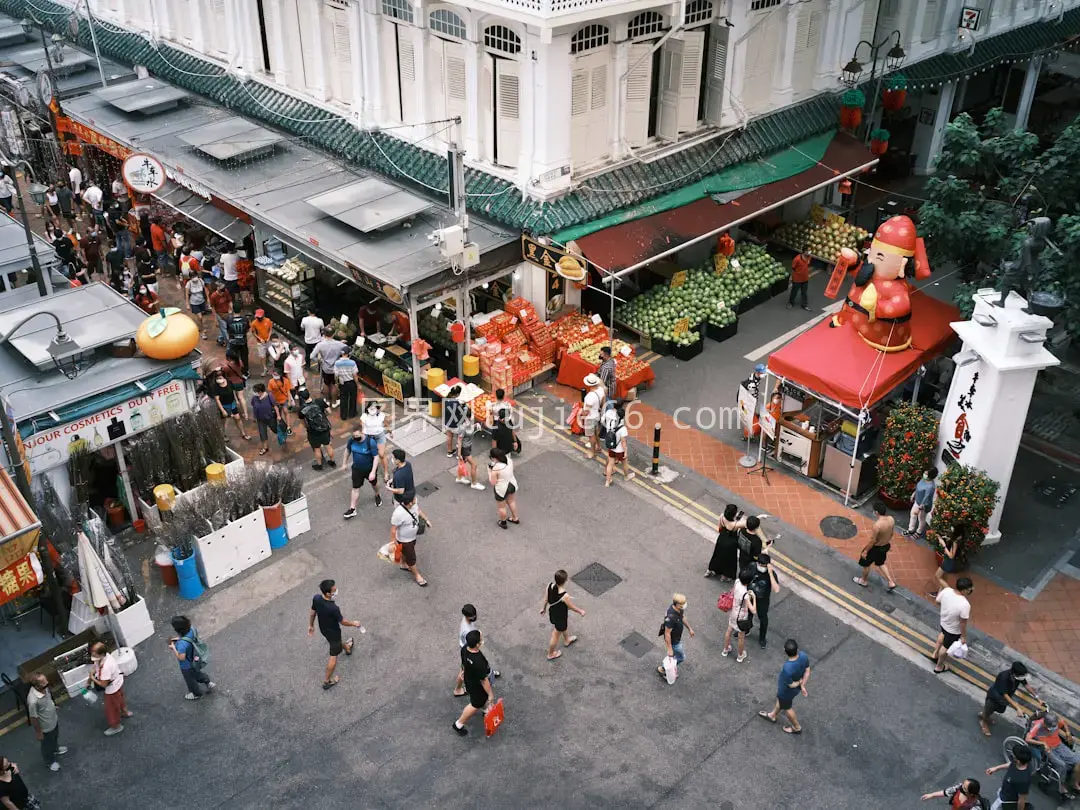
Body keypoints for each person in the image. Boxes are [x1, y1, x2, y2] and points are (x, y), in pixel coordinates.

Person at [308, 579, 364, 690]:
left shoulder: (317, 598)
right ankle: (327, 681)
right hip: (333, 632)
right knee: (333, 655)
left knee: (336, 642)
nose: (336, 590)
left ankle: (347, 648)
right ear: (328, 593)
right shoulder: (333, 608)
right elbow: (343, 622)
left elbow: (312, 612)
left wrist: (310, 625)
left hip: (324, 629)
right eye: (334, 590)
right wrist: (354, 623)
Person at [758, 638, 811, 735]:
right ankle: (773, 715)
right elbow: (807, 670)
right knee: (781, 701)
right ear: (797, 648)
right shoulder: (803, 656)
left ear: (784, 651)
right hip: (794, 690)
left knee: (787, 708)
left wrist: (799, 682)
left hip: (786, 691)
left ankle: (796, 727)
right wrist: (802, 685)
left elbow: (791, 685)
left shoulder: (787, 668)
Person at [1025, 712, 1080, 798]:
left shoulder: (1056, 722)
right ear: (1045, 723)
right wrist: (1042, 743)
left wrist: (1068, 732)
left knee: (1078, 761)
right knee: (1062, 765)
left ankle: (1074, 783)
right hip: (1047, 748)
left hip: (1059, 745)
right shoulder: (1037, 725)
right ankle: (1062, 787)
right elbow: (1027, 739)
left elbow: (1064, 723)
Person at [453, 630, 493, 736]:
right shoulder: (478, 661)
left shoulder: (464, 649)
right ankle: (459, 724)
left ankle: (485, 709)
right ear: (477, 644)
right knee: (475, 704)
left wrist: (463, 672)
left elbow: (463, 665)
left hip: (469, 681)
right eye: (480, 639)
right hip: (477, 686)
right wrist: (490, 695)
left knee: (481, 700)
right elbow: (484, 681)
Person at [979, 662, 1035, 738]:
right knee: (989, 709)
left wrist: (1037, 697)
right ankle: (984, 722)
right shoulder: (1003, 676)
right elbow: (1005, 695)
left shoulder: (1018, 676)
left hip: (1003, 700)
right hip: (994, 697)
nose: (1023, 677)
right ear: (1014, 674)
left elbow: (1026, 685)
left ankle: (984, 715)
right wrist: (1017, 707)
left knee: (999, 710)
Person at [88, 641, 133, 736]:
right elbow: (95, 666)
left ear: (101, 654)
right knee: (120, 698)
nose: (93, 656)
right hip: (118, 681)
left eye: (95, 655)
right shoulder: (106, 656)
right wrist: (89, 679)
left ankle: (115, 726)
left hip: (112, 688)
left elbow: (103, 684)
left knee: (111, 708)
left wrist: (92, 678)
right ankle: (124, 712)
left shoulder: (106, 668)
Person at [453, 605, 500, 696]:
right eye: (472, 616)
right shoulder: (466, 630)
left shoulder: (467, 620)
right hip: (467, 649)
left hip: (468, 647)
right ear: (467, 616)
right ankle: (458, 689)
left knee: (466, 667)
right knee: (464, 670)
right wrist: (479, 639)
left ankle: (487, 672)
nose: (474, 617)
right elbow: (471, 642)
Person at [931, 577, 974, 674]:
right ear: (964, 590)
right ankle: (939, 666)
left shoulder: (946, 590)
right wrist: (963, 636)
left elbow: (937, 602)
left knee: (942, 634)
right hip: (953, 630)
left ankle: (935, 653)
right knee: (945, 647)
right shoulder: (965, 604)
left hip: (944, 622)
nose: (971, 590)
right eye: (969, 589)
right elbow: (963, 623)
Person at [541, 569, 585, 661]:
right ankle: (550, 654)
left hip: (553, 612)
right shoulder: (565, 596)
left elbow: (546, 599)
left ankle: (567, 640)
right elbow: (571, 607)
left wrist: (543, 608)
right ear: (565, 581)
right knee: (555, 634)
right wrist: (580, 611)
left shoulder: (549, 585)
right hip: (560, 616)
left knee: (562, 627)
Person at [853, 501, 897, 591]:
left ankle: (863, 580)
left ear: (876, 512)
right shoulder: (891, 519)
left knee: (866, 564)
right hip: (885, 546)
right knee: (881, 563)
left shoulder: (877, 526)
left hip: (875, 548)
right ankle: (891, 582)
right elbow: (892, 533)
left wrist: (865, 551)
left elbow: (873, 541)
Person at [168, 616, 215, 700]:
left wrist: (173, 647)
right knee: (197, 673)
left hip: (186, 665)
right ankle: (208, 682)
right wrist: (178, 639)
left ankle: (196, 694)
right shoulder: (192, 629)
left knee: (190, 680)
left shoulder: (182, 645)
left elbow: (181, 657)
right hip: (195, 658)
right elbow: (189, 638)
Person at [27, 674, 67, 772]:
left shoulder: (44, 689)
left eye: (47, 683)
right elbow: (33, 718)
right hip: (45, 727)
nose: (47, 686)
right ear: (37, 687)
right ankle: (49, 761)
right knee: (46, 745)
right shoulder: (33, 701)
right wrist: (39, 732)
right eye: (44, 685)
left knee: (55, 737)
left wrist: (53, 707)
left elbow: (48, 700)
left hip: (53, 720)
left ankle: (55, 749)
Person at [391, 494, 429, 587]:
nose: (416, 499)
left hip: (412, 537)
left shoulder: (414, 505)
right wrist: (393, 542)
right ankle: (417, 575)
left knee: (405, 553)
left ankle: (403, 564)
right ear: (410, 503)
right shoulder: (398, 514)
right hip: (405, 540)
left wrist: (426, 519)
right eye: (414, 499)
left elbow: (418, 511)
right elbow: (393, 529)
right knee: (411, 558)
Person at [722, 568, 757, 663]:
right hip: (741, 616)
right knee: (741, 637)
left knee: (729, 630)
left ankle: (725, 650)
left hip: (733, 611)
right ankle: (740, 655)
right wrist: (753, 597)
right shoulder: (745, 594)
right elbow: (753, 610)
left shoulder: (737, 582)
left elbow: (733, 593)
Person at [343, 431, 381, 518]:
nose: (355, 437)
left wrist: (373, 472)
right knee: (355, 488)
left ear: (362, 433)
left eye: (357, 435)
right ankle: (352, 509)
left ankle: (377, 494)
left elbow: (376, 457)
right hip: (357, 469)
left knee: (374, 484)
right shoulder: (352, 440)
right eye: (354, 435)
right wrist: (344, 463)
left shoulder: (370, 442)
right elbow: (347, 450)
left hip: (369, 469)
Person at [297, 388, 336, 470]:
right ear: (309, 394)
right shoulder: (319, 401)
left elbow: (303, 422)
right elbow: (329, 411)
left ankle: (319, 465)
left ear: (302, 398)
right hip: (325, 429)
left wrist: (308, 428)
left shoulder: (301, 409)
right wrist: (323, 418)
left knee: (317, 449)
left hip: (313, 432)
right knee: (328, 445)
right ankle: (332, 462)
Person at [657, 593, 694, 678]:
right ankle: (664, 669)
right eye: (683, 604)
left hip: (677, 638)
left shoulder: (679, 609)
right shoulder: (671, 618)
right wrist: (669, 648)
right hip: (674, 642)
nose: (685, 605)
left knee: (674, 656)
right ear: (677, 604)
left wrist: (689, 628)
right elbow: (667, 633)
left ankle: (665, 667)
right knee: (681, 657)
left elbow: (682, 617)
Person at [985, 746, 1031, 810]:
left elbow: (1022, 799)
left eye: (1013, 756)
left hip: (1006, 800)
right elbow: (1010, 764)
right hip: (1004, 791)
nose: (1011, 756)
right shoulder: (1021, 763)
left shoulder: (1023, 780)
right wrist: (996, 768)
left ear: (1018, 761)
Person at [750, 553, 781, 648]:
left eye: (762, 565)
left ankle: (762, 638)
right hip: (751, 596)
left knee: (763, 619)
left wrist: (771, 573)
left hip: (763, 600)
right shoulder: (753, 566)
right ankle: (746, 629)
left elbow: (776, 589)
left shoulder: (770, 574)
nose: (759, 566)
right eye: (758, 564)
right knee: (748, 614)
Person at [311, 329, 348, 406]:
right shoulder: (339, 344)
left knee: (326, 383)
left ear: (324, 335)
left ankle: (327, 401)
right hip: (335, 369)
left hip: (326, 368)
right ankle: (334, 402)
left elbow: (312, 356)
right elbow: (348, 350)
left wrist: (320, 360)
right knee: (334, 385)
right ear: (333, 334)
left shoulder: (320, 345)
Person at [212, 373, 251, 441]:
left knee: (237, 418)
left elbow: (233, 391)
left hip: (232, 404)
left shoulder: (229, 382)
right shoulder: (215, 387)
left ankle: (243, 433)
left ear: (224, 378)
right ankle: (223, 435)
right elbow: (217, 400)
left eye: (220, 378)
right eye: (217, 378)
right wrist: (223, 410)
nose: (219, 380)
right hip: (224, 406)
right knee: (224, 421)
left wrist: (236, 400)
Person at [707, 505, 743, 580]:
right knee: (730, 559)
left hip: (722, 539)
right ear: (734, 514)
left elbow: (719, 528)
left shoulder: (722, 516)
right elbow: (748, 524)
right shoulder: (735, 524)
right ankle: (725, 575)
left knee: (717, 555)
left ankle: (713, 570)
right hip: (731, 543)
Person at [603, 403, 634, 487]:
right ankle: (626, 476)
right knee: (624, 463)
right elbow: (623, 442)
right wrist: (626, 452)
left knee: (610, 464)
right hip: (619, 449)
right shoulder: (623, 428)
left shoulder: (611, 423)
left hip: (611, 447)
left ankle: (607, 481)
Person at [488, 448, 519, 529]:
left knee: (502, 507)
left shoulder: (496, 468)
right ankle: (515, 518)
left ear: (495, 458)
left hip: (501, 489)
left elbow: (492, 482)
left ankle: (503, 522)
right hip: (511, 484)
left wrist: (489, 471)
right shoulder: (509, 460)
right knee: (511, 501)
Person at [930, 524, 963, 599]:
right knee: (943, 578)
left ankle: (950, 593)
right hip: (949, 561)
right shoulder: (959, 537)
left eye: (953, 529)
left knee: (937, 576)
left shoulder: (955, 542)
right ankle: (940, 594)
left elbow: (951, 555)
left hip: (949, 561)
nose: (951, 529)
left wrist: (943, 545)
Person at [361, 400, 392, 480]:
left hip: (379, 436)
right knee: (370, 455)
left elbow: (386, 424)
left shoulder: (381, 415)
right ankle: (372, 469)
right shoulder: (364, 416)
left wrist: (390, 432)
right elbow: (362, 427)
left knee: (381, 454)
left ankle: (386, 472)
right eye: (371, 408)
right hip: (369, 438)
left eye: (375, 407)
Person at [905, 467, 938, 539]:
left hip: (923, 505)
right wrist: (913, 494)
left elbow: (926, 498)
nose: (924, 474)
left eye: (926, 474)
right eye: (925, 473)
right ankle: (911, 529)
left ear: (930, 475)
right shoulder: (923, 479)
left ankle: (918, 532)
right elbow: (918, 487)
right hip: (917, 501)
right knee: (913, 514)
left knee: (921, 518)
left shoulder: (930, 487)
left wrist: (919, 508)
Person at [579, 373, 606, 459]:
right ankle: (598, 447)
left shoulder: (589, 397)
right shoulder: (601, 390)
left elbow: (586, 412)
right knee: (596, 432)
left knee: (591, 436)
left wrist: (580, 414)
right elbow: (603, 402)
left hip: (590, 418)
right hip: (597, 415)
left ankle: (592, 452)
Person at [456, 421, 485, 491]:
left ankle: (459, 478)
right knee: (474, 465)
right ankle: (474, 483)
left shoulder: (468, 424)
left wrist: (476, 425)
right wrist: (459, 453)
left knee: (462, 463)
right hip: (464, 449)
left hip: (468, 447)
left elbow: (470, 427)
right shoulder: (462, 428)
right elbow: (459, 440)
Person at [221, 352, 250, 420]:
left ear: (229, 358)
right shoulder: (239, 362)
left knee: (234, 397)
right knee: (241, 397)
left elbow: (224, 374)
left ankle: (235, 409)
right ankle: (246, 414)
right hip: (239, 382)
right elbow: (242, 368)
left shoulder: (226, 367)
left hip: (231, 384)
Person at [250, 383, 277, 455]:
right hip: (260, 419)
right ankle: (265, 447)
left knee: (275, 429)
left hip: (270, 417)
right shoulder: (254, 398)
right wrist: (254, 417)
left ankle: (282, 434)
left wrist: (279, 416)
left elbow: (275, 406)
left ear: (260, 391)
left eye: (255, 391)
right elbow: (254, 407)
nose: (254, 393)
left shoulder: (269, 396)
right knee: (262, 433)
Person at [442, 385, 468, 457]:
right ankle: (459, 454)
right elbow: (461, 412)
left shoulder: (445, 400)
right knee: (459, 439)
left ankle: (449, 452)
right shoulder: (456, 403)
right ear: (457, 394)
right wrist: (465, 407)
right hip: (456, 425)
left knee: (449, 437)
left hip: (447, 423)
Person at [333, 350, 360, 420]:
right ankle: (352, 413)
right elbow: (355, 375)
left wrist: (336, 383)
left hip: (343, 383)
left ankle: (343, 415)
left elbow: (336, 375)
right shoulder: (352, 363)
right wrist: (358, 384)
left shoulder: (337, 363)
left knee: (343, 398)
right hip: (351, 383)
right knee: (353, 398)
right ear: (348, 354)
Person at [267, 370, 294, 436]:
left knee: (286, 411)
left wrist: (289, 401)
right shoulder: (271, 382)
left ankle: (288, 427)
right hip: (275, 401)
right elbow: (270, 392)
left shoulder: (286, 381)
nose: (274, 376)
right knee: (278, 415)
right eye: (273, 374)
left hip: (284, 400)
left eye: (276, 375)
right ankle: (281, 427)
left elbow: (288, 391)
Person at [185, 271, 210, 339]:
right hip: (194, 303)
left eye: (195, 276)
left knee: (200, 316)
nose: (194, 278)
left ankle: (200, 326)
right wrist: (187, 304)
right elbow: (187, 294)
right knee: (200, 317)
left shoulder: (201, 281)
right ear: (190, 278)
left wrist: (208, 299)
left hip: (202, 301)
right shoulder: (188, 284)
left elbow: (205, 290)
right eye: (192, 277)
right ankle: (202, 332)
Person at [249, 309, 274, 376]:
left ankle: (268, 360)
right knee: (262, 356)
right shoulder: (254, 323)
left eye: (260, 317)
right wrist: (260, 338)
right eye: (258, 317)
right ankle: (265, 368)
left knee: (269, 353)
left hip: (268, 341)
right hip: (260, 342)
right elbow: (253, 332)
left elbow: (270, 330)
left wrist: (269, 337)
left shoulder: (268, 321)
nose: (259, 318)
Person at [208, 282, 233, 346]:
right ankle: (229, 344)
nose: (223, 291)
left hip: (227, 313)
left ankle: (220, 339)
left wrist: (231, 309)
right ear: (217, 288)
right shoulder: (213, 296)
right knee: (224, 329)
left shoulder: (226, 291)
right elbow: (213, 308)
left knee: (228, 327)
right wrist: (215, 319)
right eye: (221, 289)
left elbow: (229, 301)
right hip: (219, 314)